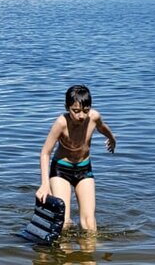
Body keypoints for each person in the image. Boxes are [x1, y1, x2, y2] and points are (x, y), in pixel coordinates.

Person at [35, 84, 117, 232]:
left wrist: (112, 138)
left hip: (84, 169)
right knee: (64, 223)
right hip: (61, 169)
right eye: (76, 111)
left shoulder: (93, 117)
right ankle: (66, 250)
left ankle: (88, 253)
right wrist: (45, 184)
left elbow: (102, 127)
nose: (81, 116)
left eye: (85, 111)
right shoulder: (61, 123)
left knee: (89, 224)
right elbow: (45, 153)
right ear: (67, 107)